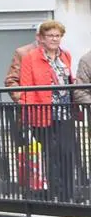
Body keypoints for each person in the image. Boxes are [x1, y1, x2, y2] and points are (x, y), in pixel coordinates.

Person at [19, 20, 77, 202]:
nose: (54, 39)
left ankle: (68, 195)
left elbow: (69, 80)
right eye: (50, 36)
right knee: (52, 156)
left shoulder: (65, 55)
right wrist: (26, 115)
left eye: (57, 35)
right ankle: (55, 194)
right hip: (43, 115)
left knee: (67, 154)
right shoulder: (30, 57)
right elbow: (26, 87)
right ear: (42, 38)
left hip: (65, 113)